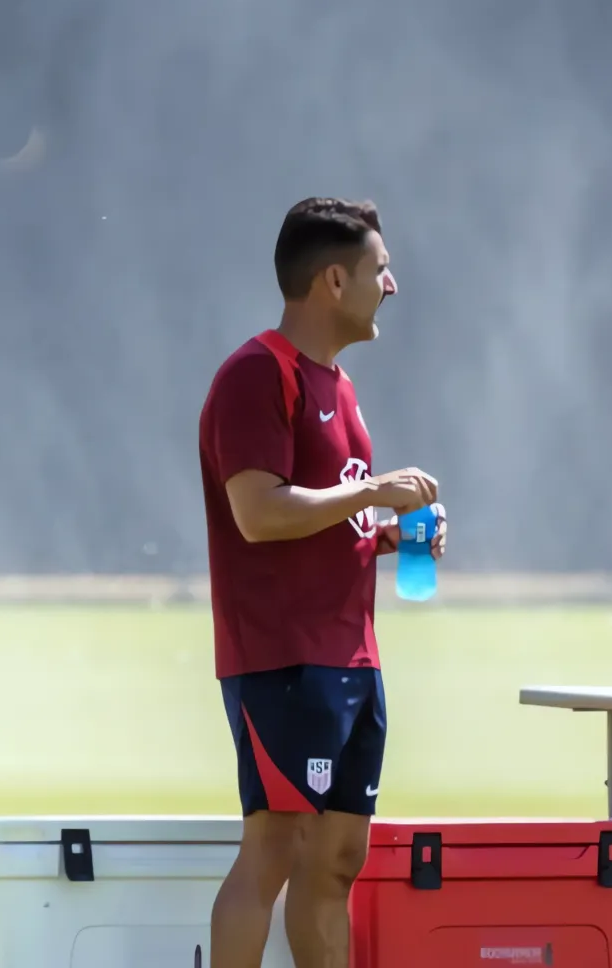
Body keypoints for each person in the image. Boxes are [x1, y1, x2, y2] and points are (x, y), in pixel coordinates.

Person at [197, 197, 446, 968]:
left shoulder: (339, 386)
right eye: (381, 269)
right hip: (284, 660)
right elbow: (259, 514)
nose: (392, 285)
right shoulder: (255, 374)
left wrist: (383, 536)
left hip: (352, 659)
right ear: (334, 280)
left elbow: (319, 519)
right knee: (274, 848)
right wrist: (373, 493)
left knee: (337, 858)